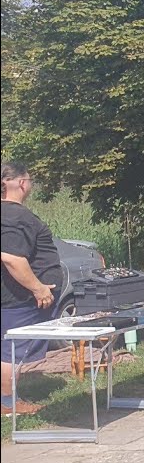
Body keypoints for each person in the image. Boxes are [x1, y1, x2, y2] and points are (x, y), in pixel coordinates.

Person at [1, 162, 60, 416]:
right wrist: (39, 289)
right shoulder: (16, 216)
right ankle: (7, 403)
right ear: (21, 183)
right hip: (18, 299)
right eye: (29, 179)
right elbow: (12, 258)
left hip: (10, 297)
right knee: (11, 351)